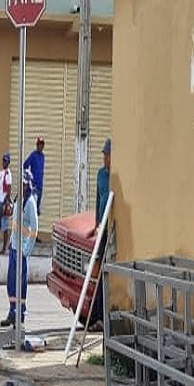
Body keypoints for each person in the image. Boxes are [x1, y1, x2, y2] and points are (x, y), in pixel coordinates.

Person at [0, 169, 39, 328]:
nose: (22, 186)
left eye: (24, 184)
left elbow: (34, 229)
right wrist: (10, 243)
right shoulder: (18, 199)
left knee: (21, 285)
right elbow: (15, 223)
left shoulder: (30, 203)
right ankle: (12, 312)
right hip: (14, 247)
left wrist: (26, 250)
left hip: (22, 250)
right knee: (11, 282)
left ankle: (20, 316)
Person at [89, 138, 112, 331]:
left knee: (106, 270)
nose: (104, 158)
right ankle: (96, 315)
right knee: (97, 270)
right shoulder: (100, 175)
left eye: (107, 155)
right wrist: (96, 223)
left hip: (111, 228)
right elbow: (98, 199)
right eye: (104, 155)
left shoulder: (115, 176)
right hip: (102, 228)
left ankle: (103, 317)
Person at [23, 137, 45, 216]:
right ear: (37, 145)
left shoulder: (43, 156)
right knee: (33, 208)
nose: (41, 146)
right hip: (34, 186)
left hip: (40, 186)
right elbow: (25, 165)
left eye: (42, 145)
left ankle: (34, 227)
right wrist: (28, 177)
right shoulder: (33, 155)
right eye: (39, 144)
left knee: (37, 210)